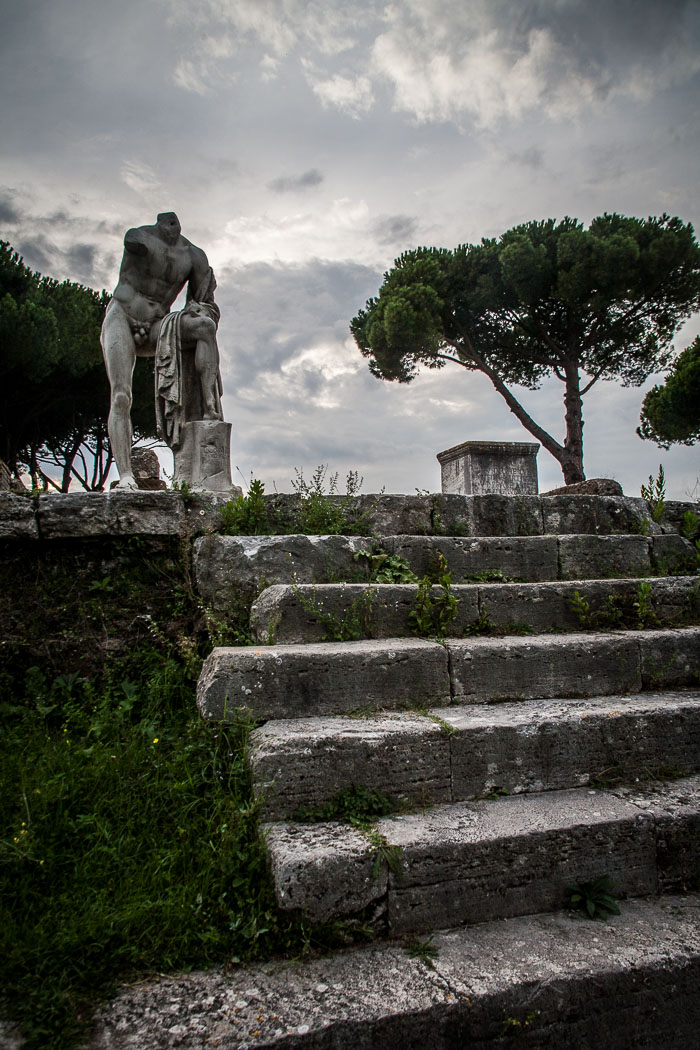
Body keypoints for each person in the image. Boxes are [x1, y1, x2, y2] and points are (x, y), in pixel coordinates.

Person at [101, 212, 223, 489]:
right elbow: (130, 241)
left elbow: (206, 303)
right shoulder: (139, 237)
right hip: (122, 316)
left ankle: (209, 407)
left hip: (158, 325)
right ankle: (126, 476)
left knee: (204, 327)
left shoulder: (193, 256)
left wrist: (200, 310)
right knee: (121, 396)